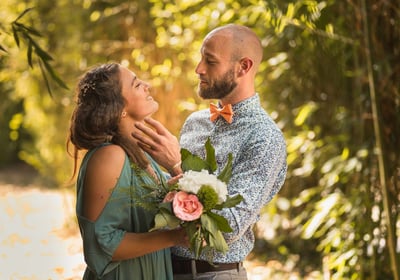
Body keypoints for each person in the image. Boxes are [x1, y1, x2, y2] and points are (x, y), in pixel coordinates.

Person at [132, 24, 287, 280]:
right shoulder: (195, 122)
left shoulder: (265, 138)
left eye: (210, 61)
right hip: (162, 271)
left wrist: (176, 165)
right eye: (201, 57)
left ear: (243, 67)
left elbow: (229, 227)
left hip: (214, 275)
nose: (198, 69)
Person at [67, 62, 187, 280]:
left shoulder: (141, 154)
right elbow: (100, 244)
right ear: (119, 107)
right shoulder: (109, 156)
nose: (147, 85)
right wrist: (175, 237)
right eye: (136, 84)